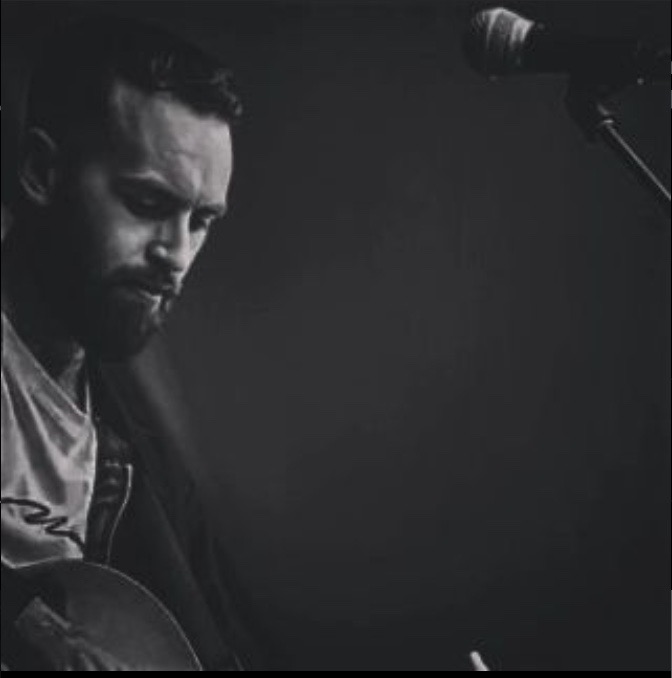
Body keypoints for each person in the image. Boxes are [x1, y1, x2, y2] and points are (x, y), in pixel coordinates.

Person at [0, 14, 263, 671]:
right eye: (147, 204)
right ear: (41, 171)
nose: (177, 255)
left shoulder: (149, 470)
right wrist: (34, 628)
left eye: (201, 221)